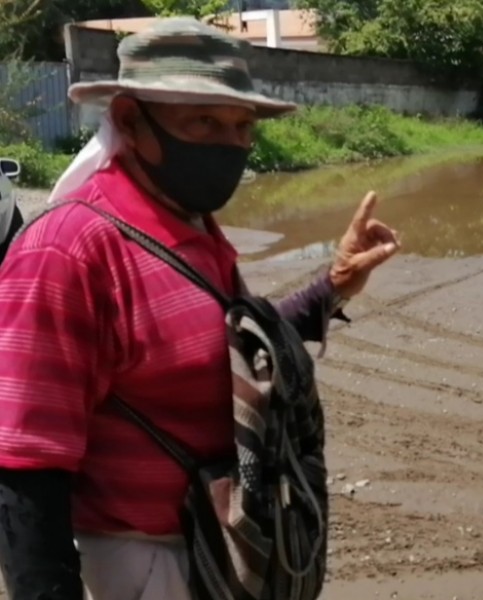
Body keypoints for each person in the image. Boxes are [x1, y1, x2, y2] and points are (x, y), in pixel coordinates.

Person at [0, 17, 399, 600]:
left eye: (241, 125)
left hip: (218, 549)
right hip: (146, 563)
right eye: (204, 121)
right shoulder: (69, 253)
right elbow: (26, 468)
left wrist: (331, 287)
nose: (230, 144)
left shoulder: (188, 225)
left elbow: (226, 356)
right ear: (130, 120)